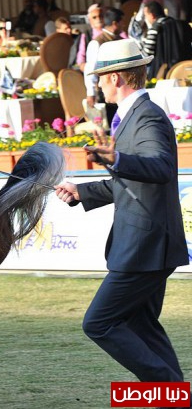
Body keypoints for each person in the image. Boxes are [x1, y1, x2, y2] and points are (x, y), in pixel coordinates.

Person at [55, 38, 188, 387]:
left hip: (146, 246)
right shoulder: (134, 117)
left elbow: (159, 168)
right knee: (142, 326)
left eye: (100, 77)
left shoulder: (147, 117)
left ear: (117, 78)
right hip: (146, 244)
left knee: (98, 323)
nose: (97, 83)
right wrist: (81, 192)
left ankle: (174, 394)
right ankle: (174, 395)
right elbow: (132, 182)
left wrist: (116, 158)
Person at [84, 8, 125, 108]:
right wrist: (91, 93)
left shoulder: (121, 40)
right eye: (122, 23)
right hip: (105, 93)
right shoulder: (97, 43)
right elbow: (91, 70)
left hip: (121, 90)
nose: (124, 26)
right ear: (115, 24)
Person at [140, 1, 192, 78]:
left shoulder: (155, 28)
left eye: (146, 15)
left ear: (152, 15)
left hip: (161, 74)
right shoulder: (182, 25)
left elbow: (147, 55)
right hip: (184, 70)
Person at [72, 4, 104, 71]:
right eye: (94, 17)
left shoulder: (109, 31)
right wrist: (84, 66)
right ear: (90, 20)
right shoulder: (86, 34)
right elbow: (81, 55)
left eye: (100, 16)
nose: (98, 19)